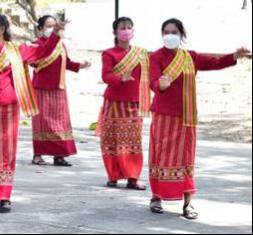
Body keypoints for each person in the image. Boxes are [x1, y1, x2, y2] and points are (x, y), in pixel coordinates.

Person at [148, 18, 249, 220]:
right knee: (160, 156)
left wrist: (234, 56)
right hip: (163, 116)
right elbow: (153, 81)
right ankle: (156, 197)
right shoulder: (156, 57)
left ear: (181, 35)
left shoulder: (190, 57)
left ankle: (187, 204)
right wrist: (161, 84)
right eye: (166, 31)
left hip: (186, 117)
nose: (170, 35)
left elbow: (215, 62)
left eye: (174, 32)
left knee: (186, 158)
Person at [0, 12, 63, 213]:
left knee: (7, 154)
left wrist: (56, 34)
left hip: (10, 109)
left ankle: (5, 196)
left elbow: (43, 51)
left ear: (1, 28)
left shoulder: (17, 50)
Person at [30, 15, 90, 167]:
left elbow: (67, 63)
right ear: (40, 29)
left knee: (60, 123)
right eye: (48, 26)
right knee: (42, 123)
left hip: (59, 88)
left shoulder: (61, 45)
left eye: (54, 26)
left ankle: (59, 155)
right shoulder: (36, 45)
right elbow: (34, 62)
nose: (51, 29)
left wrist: (80, 66)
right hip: (41, 88)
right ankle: (38, 154)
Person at [99, 17, 149, 191]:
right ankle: (113, 176)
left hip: (134, 103)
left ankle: (133, 177)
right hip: (113, 102)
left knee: (133, 142)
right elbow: (105, 77)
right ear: (115, 33)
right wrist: (121, 78)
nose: (126, 30)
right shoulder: (109, 54)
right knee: (111, 139)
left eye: (129, 27)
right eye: (122, 28)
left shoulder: (142, 54)